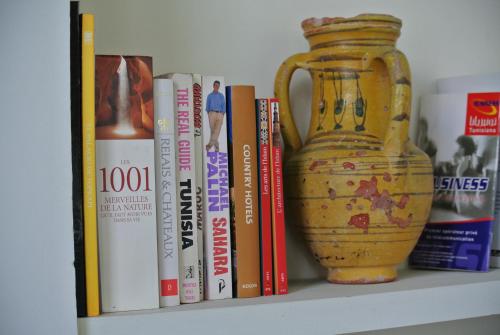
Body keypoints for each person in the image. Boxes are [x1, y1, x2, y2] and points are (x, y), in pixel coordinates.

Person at [205, 80, 226, 151]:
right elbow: (207, 105)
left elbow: (223, 105)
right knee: (213, 131)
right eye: (215, 85)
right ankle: (217, 147)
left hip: (220, 114)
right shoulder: (209, 96)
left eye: (218, 86)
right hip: (212, 114)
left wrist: (222, 113)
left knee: (217, 131)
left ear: (219, 87)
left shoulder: (221, 96)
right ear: (213, 86)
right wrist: (209, 113)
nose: (217, 87)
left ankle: (209, 145)